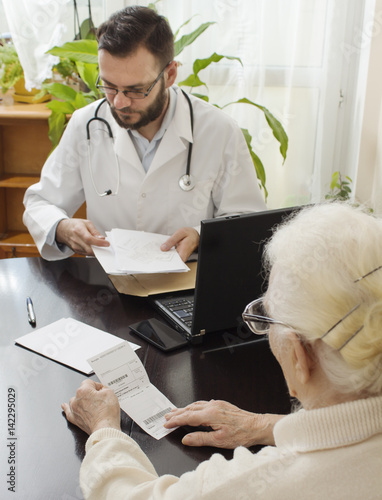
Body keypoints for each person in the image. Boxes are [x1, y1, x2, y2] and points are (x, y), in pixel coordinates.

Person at [63, 202, 382, 499]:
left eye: (267, 318)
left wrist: (103, 428)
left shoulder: (263, 484)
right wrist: (266, 426)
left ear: (299, 357)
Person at [23, 6, 265, 262]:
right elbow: (40, 203)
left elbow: (245, 220)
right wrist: (62, 227)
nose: (118, 103)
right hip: (108, 285)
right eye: (109, 86)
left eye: (135, 90)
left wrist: (199, 237)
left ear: (170, 74)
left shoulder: (218, 131)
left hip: (186, 287)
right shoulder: (87, 125)